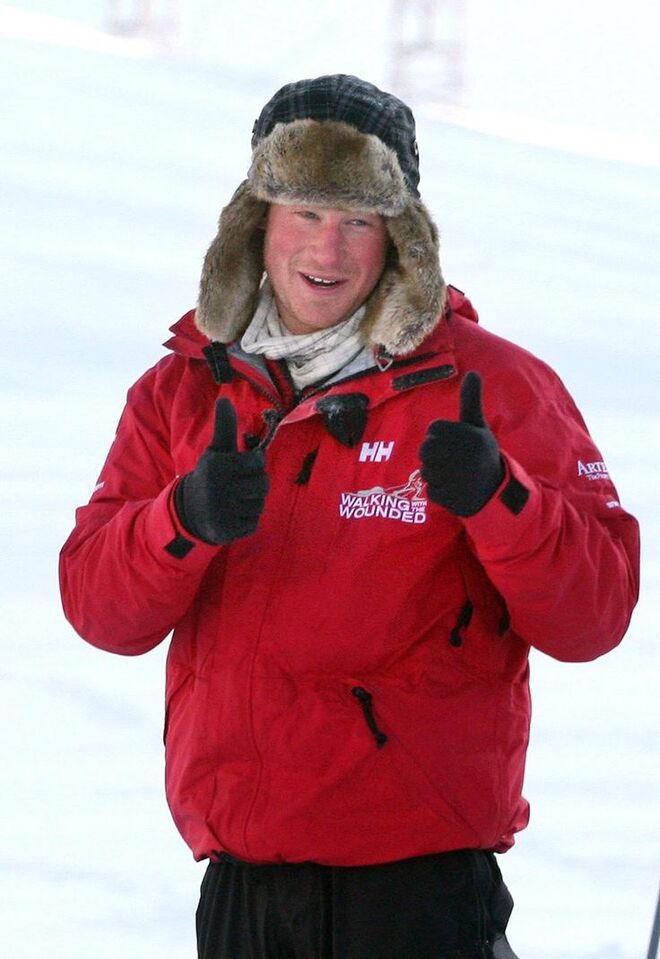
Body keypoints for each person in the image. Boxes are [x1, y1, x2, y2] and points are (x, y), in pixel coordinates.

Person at [59, 74, 640, 958]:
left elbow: (595, 614)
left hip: (418, 894)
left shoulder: (491, 386)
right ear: (257, 222)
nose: (327, 247)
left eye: (359, 219)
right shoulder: (180, 391)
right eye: (304, 213)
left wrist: (499, 495)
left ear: (399, 237)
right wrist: (185, 517)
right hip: (243, 891)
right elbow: (101, 608)